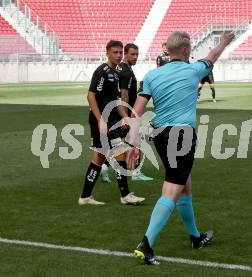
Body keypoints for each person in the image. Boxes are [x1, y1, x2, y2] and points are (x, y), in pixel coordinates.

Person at [129, 31, 235, 265]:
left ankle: (195, 237)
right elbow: (213, 56)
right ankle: (146, 244)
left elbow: (137, 111)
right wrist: (224, 41)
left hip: (158, 135)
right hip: (181, 135)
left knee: (184, 184)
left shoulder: (152, 75)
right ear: (186, 51)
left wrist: (133, 141)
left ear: (168, 50)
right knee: (173, 189)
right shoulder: (194, 70)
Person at [78, 40, 145, 206]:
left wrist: (125, 117)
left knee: (99, 158)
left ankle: (86, 197)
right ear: (107, 52)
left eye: (120, 52)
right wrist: (100, 120)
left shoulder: (115, 74)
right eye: (115, 52)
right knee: (120, 153)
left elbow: (115, 101)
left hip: (110, 120)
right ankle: (125, 195)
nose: (118, 55)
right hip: (101, 121)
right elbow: (91, 96)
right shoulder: (102, 71)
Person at [116, 43, 154, 182]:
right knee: (136, 142)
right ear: (125, 54)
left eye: (137, 54)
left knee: (122, 142)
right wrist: (126, 117)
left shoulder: (119, 68)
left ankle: (105, 168)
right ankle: (136, 173)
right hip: (129, 113)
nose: (135, 57)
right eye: (132, 54)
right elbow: (124, 94)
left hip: (120, 113)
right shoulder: (126, 71)